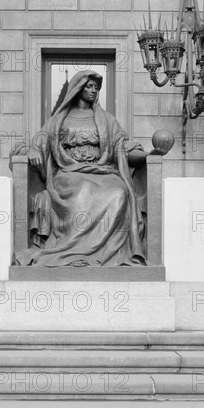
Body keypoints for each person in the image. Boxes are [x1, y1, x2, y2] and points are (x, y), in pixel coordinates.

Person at [16, 70, 167, 267]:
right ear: (78, 89)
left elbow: (123, 149)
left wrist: (149, 155)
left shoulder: (107, 119)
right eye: (89, 86)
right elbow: (36, 144)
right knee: (83, 191)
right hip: (69, 173)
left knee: (119, 191)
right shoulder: (58, 119)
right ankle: (75, 251)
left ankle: (99, 254)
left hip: (101, 170)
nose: (94, 91)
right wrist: (30, 151)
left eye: (96, 88)